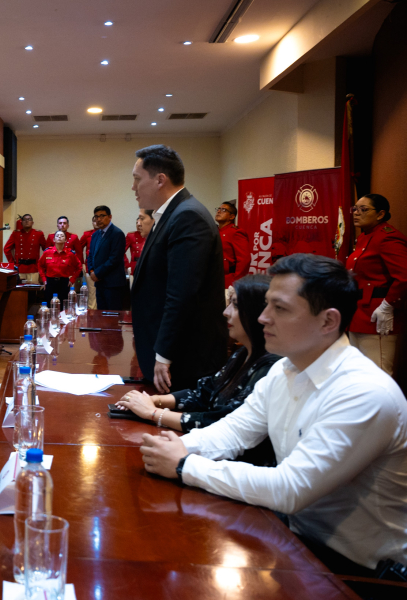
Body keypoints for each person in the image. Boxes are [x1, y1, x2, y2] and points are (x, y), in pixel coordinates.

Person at [139, 254, 407, 575]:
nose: (263, 317)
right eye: (266, 305)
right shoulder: (284, 368)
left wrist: (185, 465)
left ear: (328, 322)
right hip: (296, 540)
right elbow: (234, 432)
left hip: (360, 572)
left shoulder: (363, 392)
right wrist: (182, 447)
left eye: (279, 309)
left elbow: (290, 489)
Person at [118, 275, 280, 464]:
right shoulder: (243, 353)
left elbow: (219, 422)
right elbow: (204, 392)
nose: (226, 312)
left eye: (235, 305)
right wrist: (153, 400)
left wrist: (153, 413)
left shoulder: (271, 367)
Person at [130, 144, 227, 392]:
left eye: (137, 179)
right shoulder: (171, 214)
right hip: (168, 350)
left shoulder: (188, 216)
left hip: (183, 358)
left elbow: (181, 293)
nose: (133, 187)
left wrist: (163, 354)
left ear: (160, 180)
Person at [346, 194, 407, 377]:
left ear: (380, 214)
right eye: (355, 209)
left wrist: (388, 305)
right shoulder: (365, 237)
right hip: (358, 314)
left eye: (363, 210)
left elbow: (404, 276)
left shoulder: (387, 238)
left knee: (377, 376)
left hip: (377, 316)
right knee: (357, 375)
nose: (356, 213)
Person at [87, 205, 128, 310]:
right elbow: (91, 255)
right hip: (99, 283)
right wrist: (91, 270)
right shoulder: (96, 235)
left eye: (102, 216)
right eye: (96, 217)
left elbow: (114, 259)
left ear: (110, 217)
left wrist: (97, 273)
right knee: (101, 316)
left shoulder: (117, 234)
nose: (99, 219)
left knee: (113, 317)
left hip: (113, 284)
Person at [38, 231, 82, 306]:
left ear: (65, 240)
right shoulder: (47, 252)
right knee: (49, 304)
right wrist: (44, 279)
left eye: (62, 236)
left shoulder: (70, 254)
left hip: (64, 282)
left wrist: (72, 279)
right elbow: (40, 265)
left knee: (63, 305)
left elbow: (79, 267)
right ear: (54, 240)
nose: (59, 237)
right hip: (50, 282)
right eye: (57, 236)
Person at [215, 201, 251, 290]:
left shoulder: (236, 233)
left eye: (223, 210)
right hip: (213, 278)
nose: (219, 211)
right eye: (218, 209)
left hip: (228, 280)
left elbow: (244, 260)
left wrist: (236, 283)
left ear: (232, 216)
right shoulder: (214, 231)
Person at [4, 214, 47, 283]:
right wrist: (12, 263)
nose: (27, 221)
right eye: (24, 220)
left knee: (33, 291)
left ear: (32, 223)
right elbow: (6, 249)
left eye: (29, 219)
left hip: (34, 268)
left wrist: (42, 264)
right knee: (20, 291)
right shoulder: (16, 233)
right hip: (20, 268)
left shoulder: (38, 234)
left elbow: (46, 250)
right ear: (21, 222)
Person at [80, 215, 99, 309]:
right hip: (90, 266)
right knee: (92, 292)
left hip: (103, 267)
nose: (96, 222)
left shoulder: (106, 234)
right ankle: (92, 312)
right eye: (94, 221)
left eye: (98, 220)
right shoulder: (88, 234)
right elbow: (78, 248)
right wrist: (82, 263)